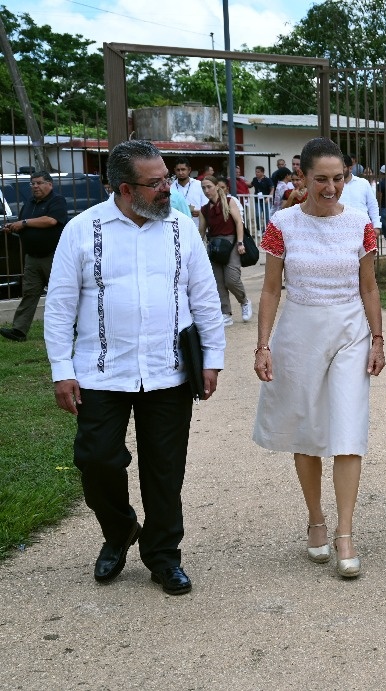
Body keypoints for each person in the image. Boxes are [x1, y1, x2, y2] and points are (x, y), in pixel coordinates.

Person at [43, 139, 225, 595]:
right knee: (97, 458)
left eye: (167, 178)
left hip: (169, 371)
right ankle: (120, 529)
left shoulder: (181, 229)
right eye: (157, 182)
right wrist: (61, 368)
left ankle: (163, 555)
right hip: (101, 371)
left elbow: (204, 299)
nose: (168, 187)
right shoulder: (82, 231)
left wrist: (213, 360)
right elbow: (61, 305)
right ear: (125, 189)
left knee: (165, 470)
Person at [252, 137, 386, 580]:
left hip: (350, 330)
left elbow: (369, 286)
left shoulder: (361, 222)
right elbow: (271, 289)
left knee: (348, 428)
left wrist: (379, 339)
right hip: (300, 332)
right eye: (322, 179)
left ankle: (345, 533)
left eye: (339, 179)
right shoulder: (282, 224)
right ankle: (316, 519)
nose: (331, 188)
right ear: (302, 179)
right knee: (307, 429)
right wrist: (263, 344)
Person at [1, 172, 68, 342]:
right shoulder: (29, 203)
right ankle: (19, 331)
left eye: (38, 183)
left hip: (52, 257)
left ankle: (72, 328)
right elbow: (24, 223)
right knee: (30, 293)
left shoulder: (56, 201)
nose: (35, 186)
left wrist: (23, 223)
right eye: (32, 184)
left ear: (49, 184)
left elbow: (51, 221)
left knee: (60, 295)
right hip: (32, 258)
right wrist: (14, 227)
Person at [200, 177, 251, 326]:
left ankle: (244, 301)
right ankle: (226, 313)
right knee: (219, 282)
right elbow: (202, 231)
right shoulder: (204, 209)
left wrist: (240, 242)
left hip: (231, 242)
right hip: (215, 246)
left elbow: (238, 223)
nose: (206, 190)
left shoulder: (229, 202)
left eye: (209, 187)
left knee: (232, 279)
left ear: (217, 186)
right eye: (203, 188)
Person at [340, 153, 382, 242]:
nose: (339, 170)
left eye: (342, 167)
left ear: (350, 168)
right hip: (341, 231)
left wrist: (376, 226)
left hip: (363, 230)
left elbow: (373, 205)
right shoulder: (334, 186)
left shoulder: (363, 183)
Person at [172, 158, 205, 228]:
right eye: (178, 170)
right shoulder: (171, 188)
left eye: (183, 169)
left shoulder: (199, 185)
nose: (180, 173)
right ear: (174, 170)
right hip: (177, 228)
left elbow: (206, 205)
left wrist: (200, 212)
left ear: (189, 170)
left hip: (198, 227)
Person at [250, 165, 274, 230]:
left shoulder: (267, 180)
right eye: (256, 172)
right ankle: (258, 229)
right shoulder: (255, 179)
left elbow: (272, 188)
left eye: (258, 172)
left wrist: (269, 197)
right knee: (257, 215)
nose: (256, 173)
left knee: (267, 216)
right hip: (257, 200)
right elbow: (250, 185)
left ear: (262, 173)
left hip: (266, 201)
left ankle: (266, 229)